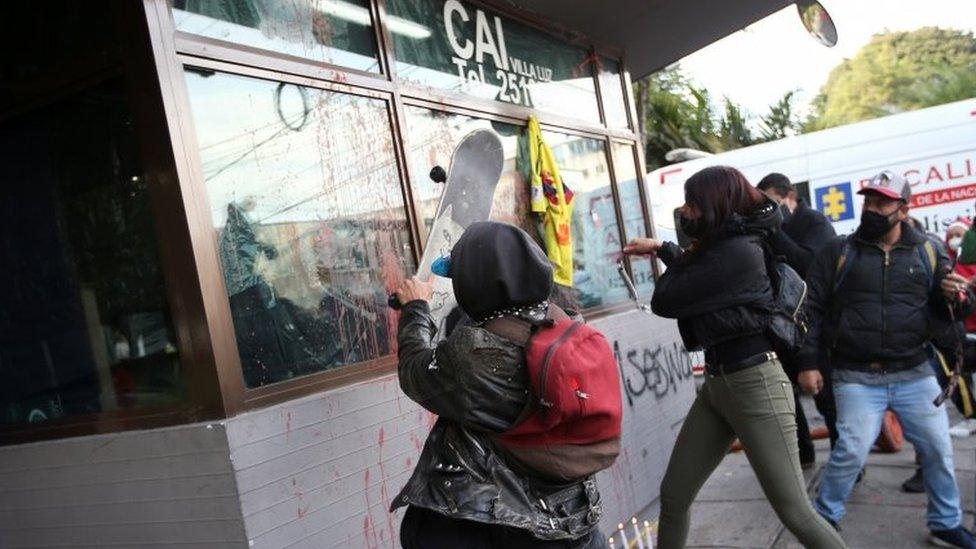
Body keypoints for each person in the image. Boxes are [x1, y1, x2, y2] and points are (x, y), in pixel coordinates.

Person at [624, 166, 846, 549]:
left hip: (755, 384)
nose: (685, 211)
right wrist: (665, 250)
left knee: (795, 512)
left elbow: (668, 298)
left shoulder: (738, 251)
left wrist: (674, 255)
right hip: (718, 384)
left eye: (692, 203)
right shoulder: (722, 247)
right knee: (675, 496)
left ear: (714, 204)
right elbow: (698, 280)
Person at [392, 221, 608, 549]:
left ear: (475, 288)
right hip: (572, 516)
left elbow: (414, 372)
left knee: (423, 532)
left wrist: (415, 309)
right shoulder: (569, 328)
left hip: (505, 524)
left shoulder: (476, 353)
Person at [797, 171, 976, 547]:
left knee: (939, 450)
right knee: (851, 450)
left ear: (903, 209)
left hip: (914, 371)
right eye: (869, 202)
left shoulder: (927, 251)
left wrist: (959, 298)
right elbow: (809, 308)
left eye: (882, 203)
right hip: (855, 375)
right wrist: (808, 361)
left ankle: (945, 523)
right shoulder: (839, 251)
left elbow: (954, 312)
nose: (872, 209)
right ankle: (824, 519)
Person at [757, 172, 837, 467]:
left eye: (774, 203)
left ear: (789, 196)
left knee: (826, 397)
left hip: (814, 322)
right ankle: (804, 453)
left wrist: (776, 230)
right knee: (787, 396)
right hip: (781, 324)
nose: (771, 210)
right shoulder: (766, 229)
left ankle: (845, 459)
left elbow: (809, 264)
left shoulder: (813, 223)